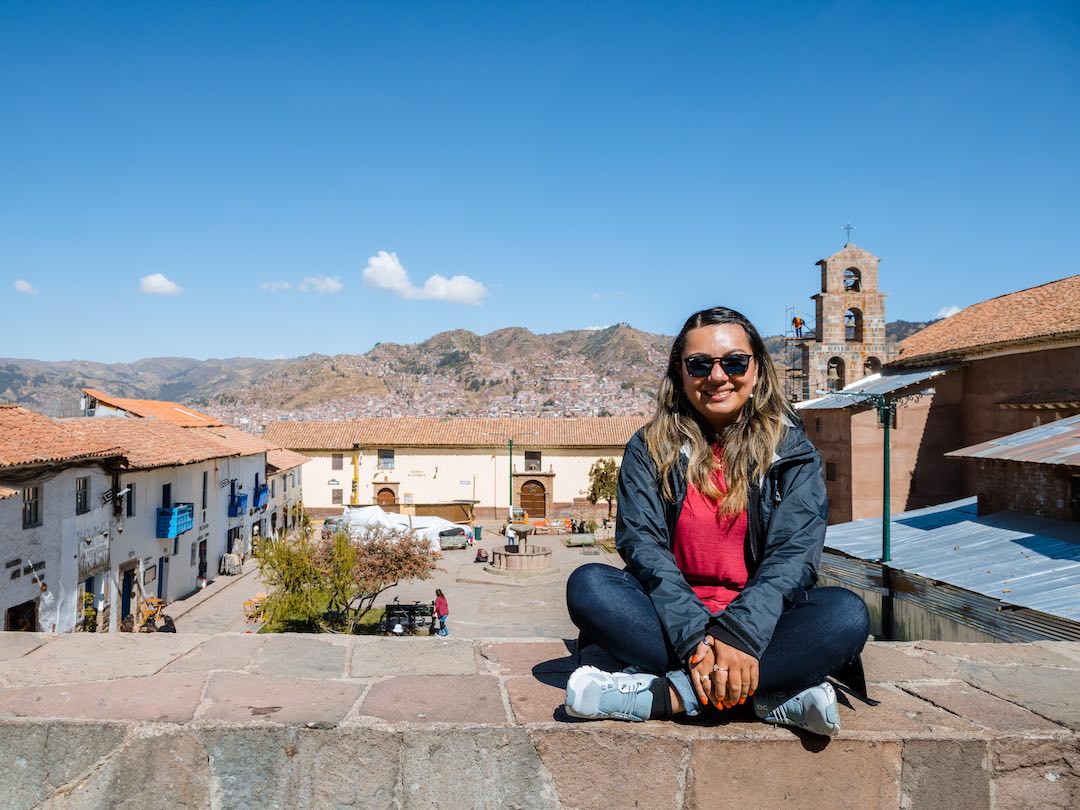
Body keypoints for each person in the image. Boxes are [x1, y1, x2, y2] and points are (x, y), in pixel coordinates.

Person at [563, 306, 870, 737]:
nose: (718, 375)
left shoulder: (793, 454)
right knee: (590, 586)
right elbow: (642, 546)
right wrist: (694, 639)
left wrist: (740, 634)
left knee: (846, 615)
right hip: (669, 621)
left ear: (757, 368)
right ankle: (769, 696)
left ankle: (670, 697)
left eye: (734, 362)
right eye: (700, 364)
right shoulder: (649, 449)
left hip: (762, 623)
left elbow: (793, 557)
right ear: (681, 373)